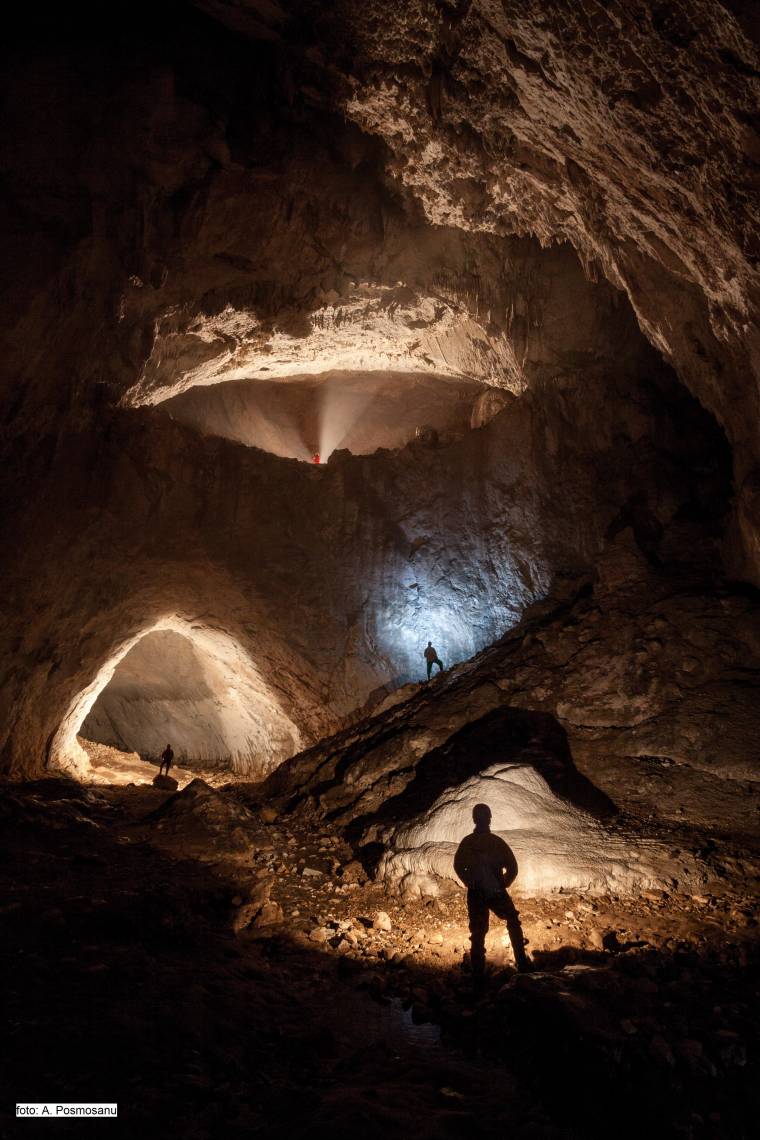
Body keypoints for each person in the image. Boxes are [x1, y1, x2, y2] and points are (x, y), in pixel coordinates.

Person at [454, 803, 530, 979]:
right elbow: (513, 867)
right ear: (489, 818)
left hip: (477, 893)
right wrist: (504, 883)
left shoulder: (468, 842)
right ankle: (522, 963)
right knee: (512, 920)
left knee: (478, 933)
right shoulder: (496, 842)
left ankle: (478, 975)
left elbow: (458, 865)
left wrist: (468, 881)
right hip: (495, 892)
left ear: (474, 819)